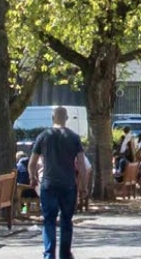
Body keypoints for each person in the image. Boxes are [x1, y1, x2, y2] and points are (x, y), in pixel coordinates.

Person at [29, 106, 89, 259]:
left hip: (49, 184)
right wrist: (84, 185)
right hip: (68, 184)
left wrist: (32, 177)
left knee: (49, 220)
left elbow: (32, 163)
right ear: (66, 119)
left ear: (52, 118)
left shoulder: (43, 136)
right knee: (66, 221)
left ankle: (49, 254)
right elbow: (81, 164)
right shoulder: (74, 137)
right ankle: (65, 254)